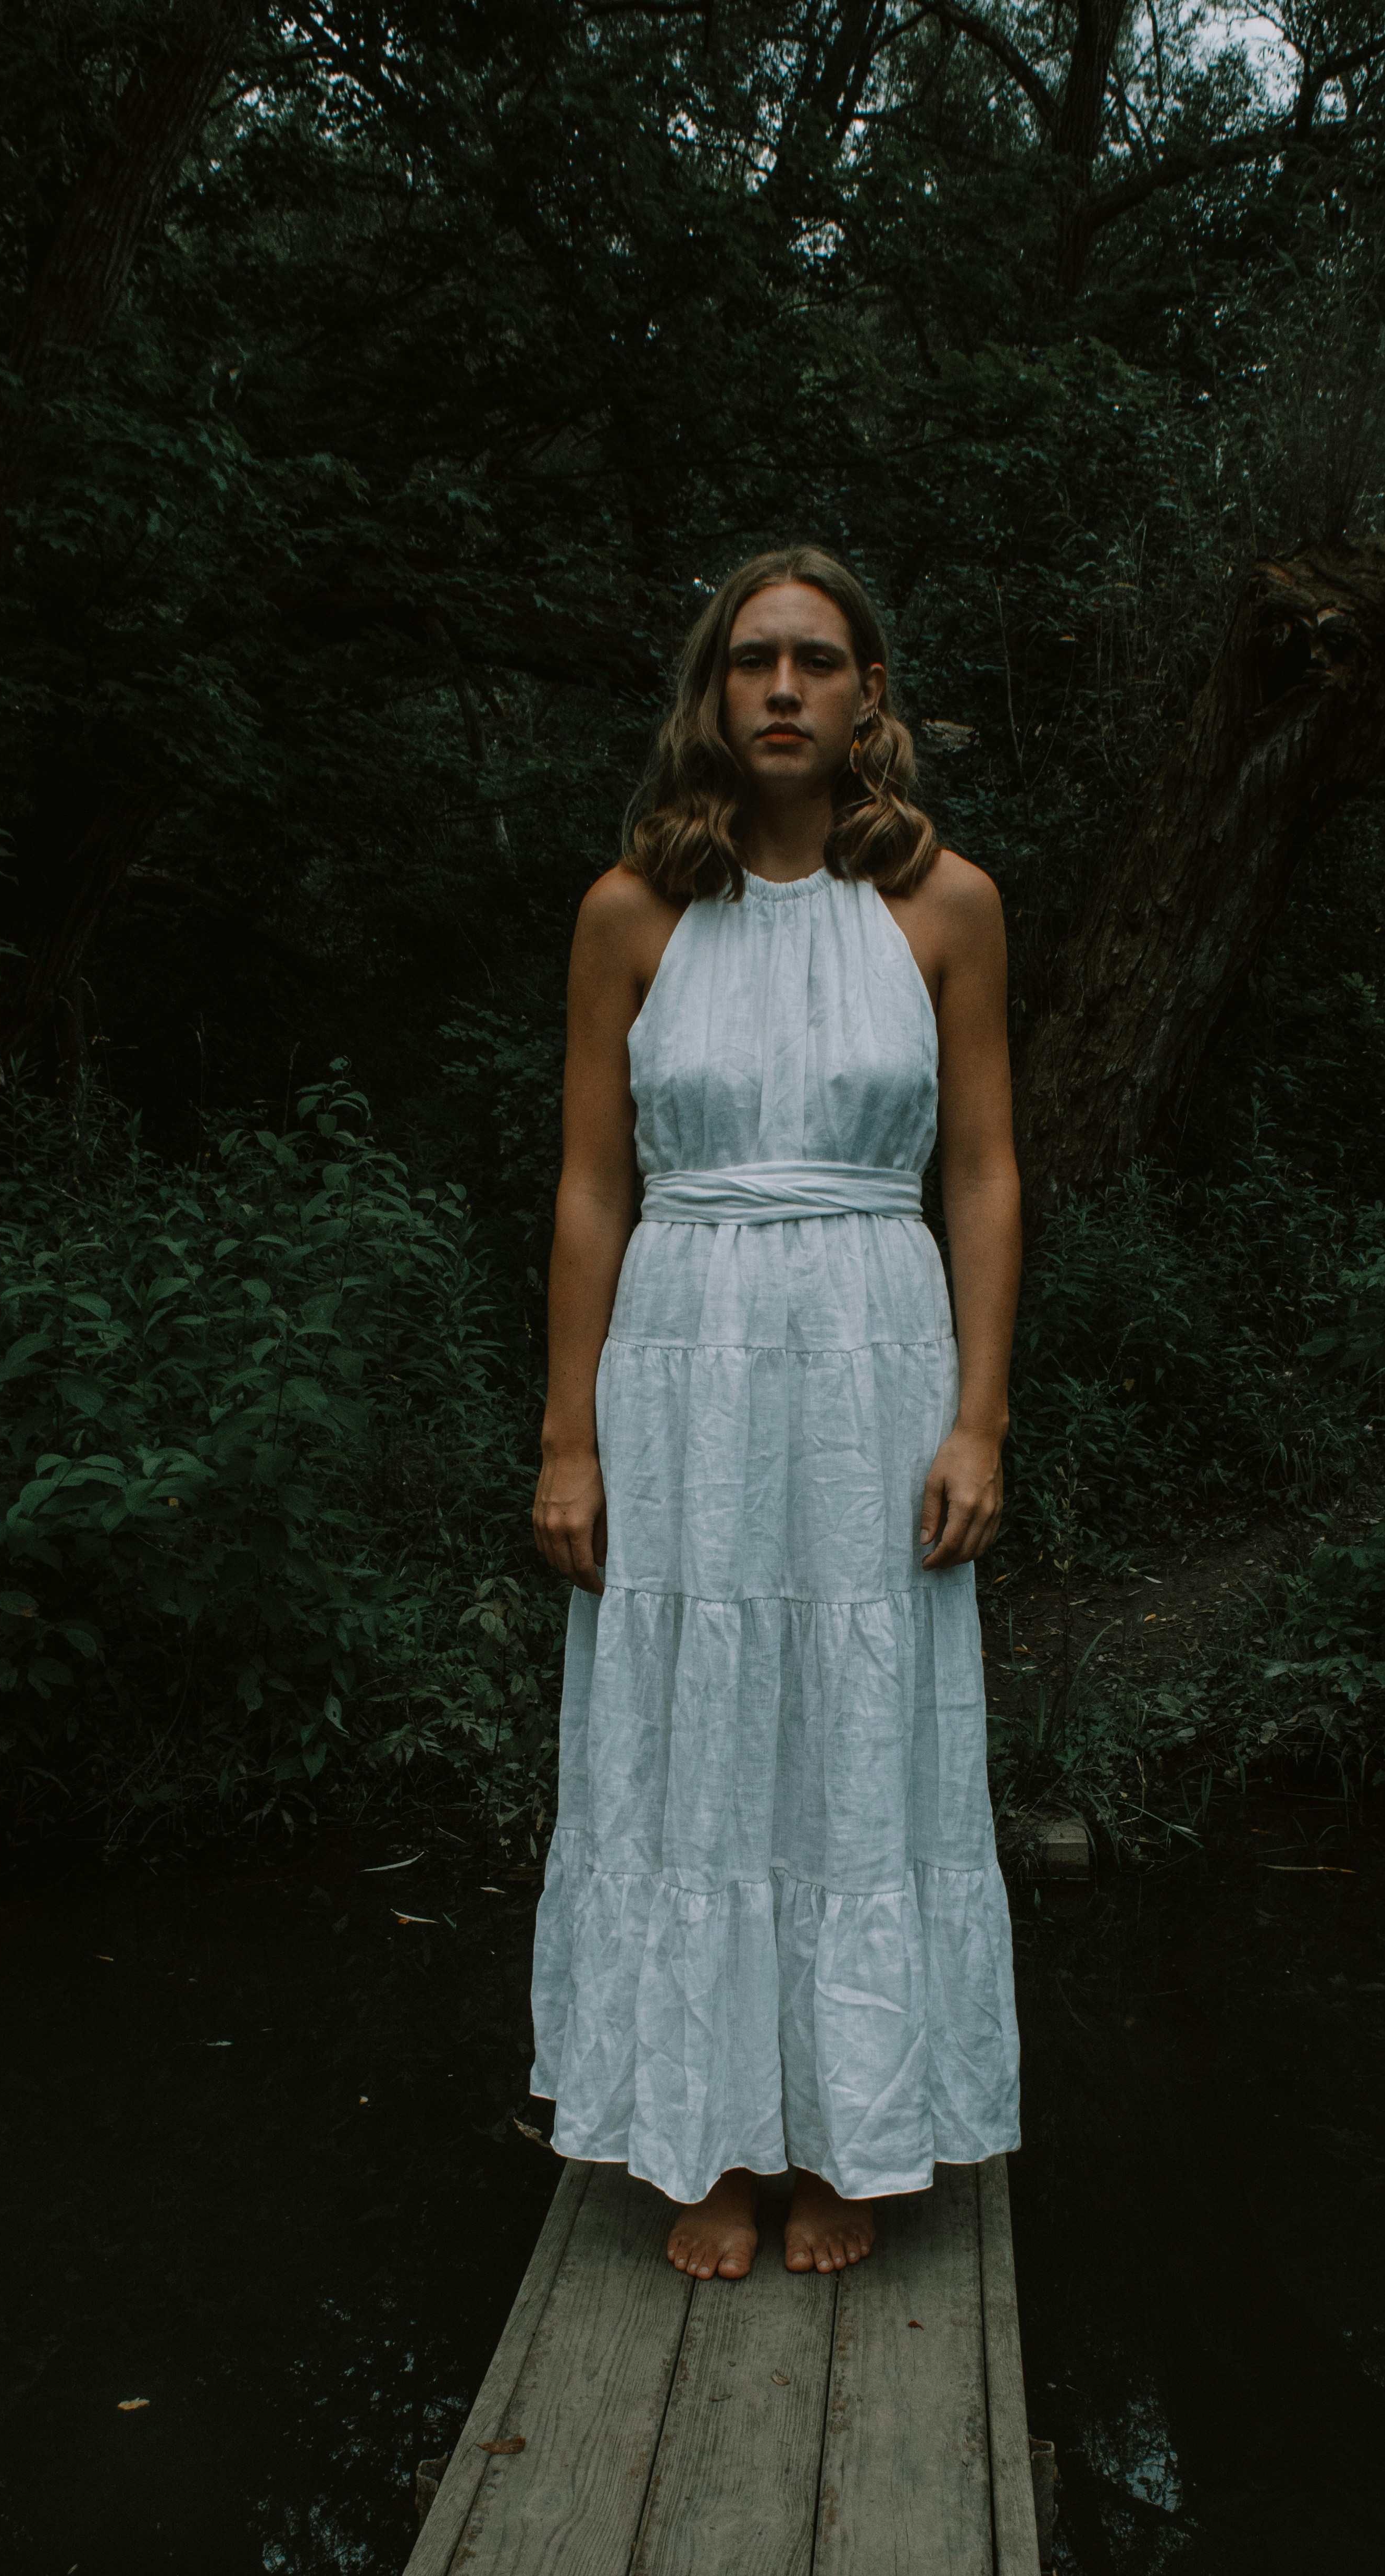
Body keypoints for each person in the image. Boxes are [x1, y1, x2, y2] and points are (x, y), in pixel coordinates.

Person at [527, 545, 1021, 2282]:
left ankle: (848, 2134)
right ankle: (712, 2134)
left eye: (818, 659)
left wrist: (980, 1419)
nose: (786, 687)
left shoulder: (945, 907)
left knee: (859, 1731)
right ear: (714, 692)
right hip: (686, 1365)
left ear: (870, 692)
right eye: (755, 659)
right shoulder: (631, 914)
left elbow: (983, 1173)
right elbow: (594, 1187)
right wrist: (567, 1439)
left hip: (875, 1361)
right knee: (699, 1729)